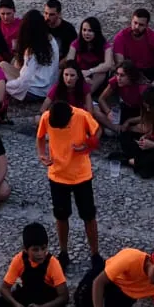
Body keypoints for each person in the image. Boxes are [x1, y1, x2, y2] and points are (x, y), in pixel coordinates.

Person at [37, 92, 101, 267]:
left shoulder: (81, 115)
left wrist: (88, 145)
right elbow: (41, 136)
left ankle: (95, 253)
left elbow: (97, 131)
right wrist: (42, 154)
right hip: (57, 176)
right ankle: (63, 252)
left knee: (89, 215)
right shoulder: (46, 117)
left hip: (82, 176)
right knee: (61, 215)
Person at [0, 222, 70, 307]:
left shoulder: (53, 263)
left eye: (43, 248)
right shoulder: (19, 260)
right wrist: (16, 304)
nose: (40, 254)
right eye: (35, 250)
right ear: (25, 249)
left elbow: (64, 297)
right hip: (27, 299)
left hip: (47, 301)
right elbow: (4, 288)